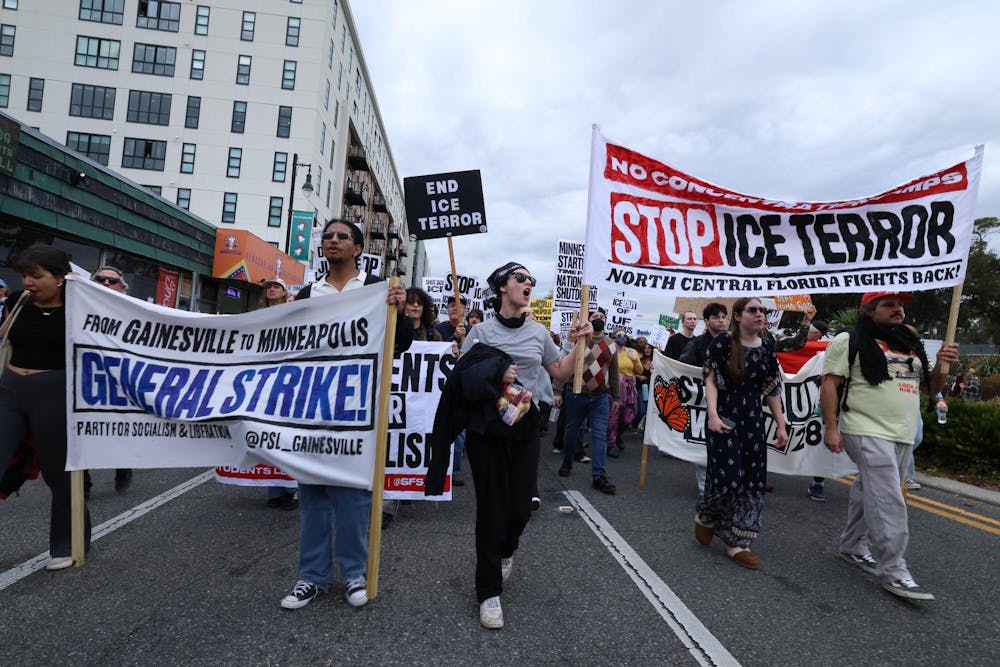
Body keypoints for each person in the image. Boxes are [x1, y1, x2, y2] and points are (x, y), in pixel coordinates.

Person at [425, 261, 592, 630]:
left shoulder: (538, 332)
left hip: (525, 427)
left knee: (519, 509)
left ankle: (508, 548)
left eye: (531, 279)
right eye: (520, 278)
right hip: (486, 429)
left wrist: (577, 342)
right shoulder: (480, 332)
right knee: (491, 510)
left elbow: (561, 372)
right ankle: (488, 592)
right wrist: (494, 371)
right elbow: (463, 378)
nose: (528, 283)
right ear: (503, 286)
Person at [279, 219, 412, 611]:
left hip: (357, 410)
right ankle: (312, 577)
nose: (333, 241)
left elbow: (401, 342)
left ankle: (355, 572)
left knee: (354, 499)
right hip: (313, 406)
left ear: (358, 248)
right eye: (327, 237)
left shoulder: (377, 289)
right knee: (313, 497)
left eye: (342, 236)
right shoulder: (308, 293)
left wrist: (399, 311)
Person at [821, 291, 958, 600]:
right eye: (889, 305)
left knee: (870, 488)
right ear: (870, 310)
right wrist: (831, 428)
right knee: (888, 498)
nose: (898, 310)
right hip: (864, 428)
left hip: (902, 432)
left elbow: (930, 388)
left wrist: (941, 364)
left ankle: (853, 546)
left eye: (900, 305)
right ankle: (894, 570)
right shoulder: (848, 339)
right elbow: (829, 383)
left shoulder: (910, 343)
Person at [0, 244, 92, 571]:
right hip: (10, 391)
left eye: (36, 276)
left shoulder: (81, 308)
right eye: (24, 275)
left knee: (59, 474)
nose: (28, 282)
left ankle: (69, 543)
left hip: (56, 394)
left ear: (60, 277)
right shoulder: (16, 301)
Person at [696, 297, 788, 570]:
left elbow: (772, 387)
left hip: (753, 419)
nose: (760, 314)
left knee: (751, 480)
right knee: (728, 477)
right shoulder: (723, 343)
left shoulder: (767, 345)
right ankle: (706, 515)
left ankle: (738, 542)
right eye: (753, 310)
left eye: (762, 310)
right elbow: (711, 379)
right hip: (725, 415)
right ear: (737, 316)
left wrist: (781, 424)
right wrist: (713, 415)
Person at [83, 267, 136, 497]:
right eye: (100, 279)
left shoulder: (134, 311)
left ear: (122, 287)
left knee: (118, 429)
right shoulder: (78, 307)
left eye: (112, 281)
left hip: (119, 381)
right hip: (86, 378)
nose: (106, 283)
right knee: (81, 430)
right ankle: (82, 484)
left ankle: (123, 466)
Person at [556, 308, 619, 491]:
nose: (598, 318)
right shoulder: (580, 340)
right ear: (588, 320)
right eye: (594, 316)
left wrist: (616, 397)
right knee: (571, 431)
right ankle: (567, 461)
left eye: (601, 317)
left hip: (600, 398)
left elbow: (614, 372)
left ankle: (598, 476)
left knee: (600, 435)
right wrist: (557, 390)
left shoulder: (611, 344)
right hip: (576, 395)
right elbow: (564, 364)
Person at [255, 277, 299, 511]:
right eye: (269, 287)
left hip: (290, 381)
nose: (271, 289)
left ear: (284, 292)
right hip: (265, 382)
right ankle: (274, 490)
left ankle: (290, 489)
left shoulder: (294, 313)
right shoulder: (256, 317)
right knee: (268, 437)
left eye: (276, 287)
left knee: (288, 437)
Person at [679, 302, 729, 495]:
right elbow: (683, 367)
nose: (721, 320)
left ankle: (719, 483)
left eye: (723, 317)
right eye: (716, 317)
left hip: (726, 401)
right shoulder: (697, 343)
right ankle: (704, 489)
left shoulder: (733, 342)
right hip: (701, 401)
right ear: (707, 321)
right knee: (703, 443)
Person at [607, 329, 642, 457]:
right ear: (613, 338)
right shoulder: (610, 351)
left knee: (627, 418)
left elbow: (639, 371)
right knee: (613, 417)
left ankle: (618, 436)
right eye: (619, 335)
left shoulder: (632, 352)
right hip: (614, 389)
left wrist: (635, 360)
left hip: (629, 389)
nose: (622, 337)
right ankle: (610, 444)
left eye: (624, 335)